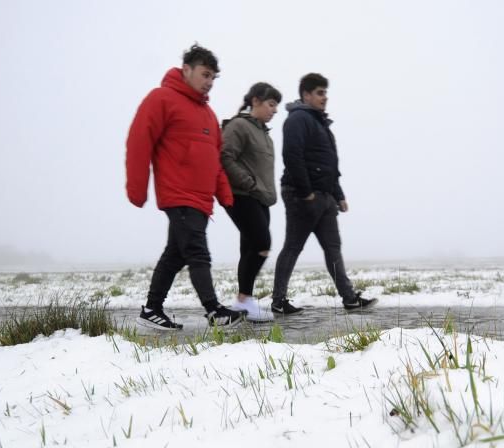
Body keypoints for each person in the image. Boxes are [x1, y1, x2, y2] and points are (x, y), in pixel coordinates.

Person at [126, 44, 245, 329]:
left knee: (176, 254)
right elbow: (139, 142)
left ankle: (152, 309)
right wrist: (137, 189)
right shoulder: (161, 99)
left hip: (201, 199)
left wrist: (224, 192)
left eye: (213, 78)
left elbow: (213, 158)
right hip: (178, 194)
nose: (209, 82)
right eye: (205, 74)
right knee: (197, 252)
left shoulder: (207, 114)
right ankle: (214, 310)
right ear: (186, 70)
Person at [271, 73, 376, 315]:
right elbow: (292, 156)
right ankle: (278, 301)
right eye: (319, 93)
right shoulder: (298, 119)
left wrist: (338, 195)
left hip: (325, 196)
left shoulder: (321, 124)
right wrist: (306, 193)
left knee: (333, 248)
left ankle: (349, 298)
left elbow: (330, 164)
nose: (324, 97)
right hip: (303, 196)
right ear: (306, 95)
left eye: (325, 93)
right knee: (293, 247)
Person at [220, 82, 282, 322]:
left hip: (261, 198)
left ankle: (243, 302)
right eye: (271, 104)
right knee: (262, 243)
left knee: (249, 248)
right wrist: (248, 183)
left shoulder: (264, 133)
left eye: (276, 105)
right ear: (255, 101)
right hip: (242, 195)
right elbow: (225, 156)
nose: (274, 110)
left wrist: (263, 191)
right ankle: (244, 300)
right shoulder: (239, 126)